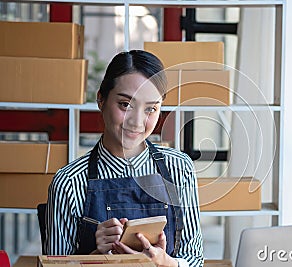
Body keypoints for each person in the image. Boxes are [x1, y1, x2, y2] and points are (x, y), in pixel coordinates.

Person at [45, 50, 204, 267]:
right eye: (125, 104)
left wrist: (166, 262)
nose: (137, 122)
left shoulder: (179, 168)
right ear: (101, 99)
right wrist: (95, 256)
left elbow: (195, 260)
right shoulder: (69, 182)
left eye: (151, 109)